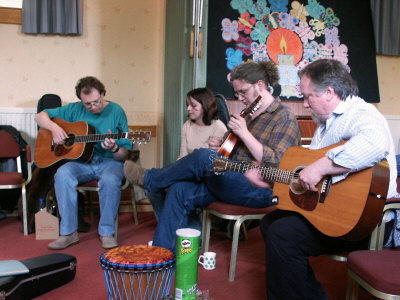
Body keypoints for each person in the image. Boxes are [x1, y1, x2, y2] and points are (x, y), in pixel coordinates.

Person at [245, 59, 398, 300]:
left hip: (369, 221)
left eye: (308, 97)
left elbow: (375, 144)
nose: (304, 104)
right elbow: (307, 181)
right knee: (271, 222)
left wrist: (321, 167)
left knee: (284, 234)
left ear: (329, 92)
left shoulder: (361, 113)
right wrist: (270, 181)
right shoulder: (324, 125)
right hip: (333, 211)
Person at [124, 60, 301, 253]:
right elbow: (235, 154)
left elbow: (278, 165)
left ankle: (150, 179)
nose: (239, 97)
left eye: (243, 92)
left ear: (259, 85)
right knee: (179, 189)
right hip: (232, 179)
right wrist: (221, 146)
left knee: (202, 157)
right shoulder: (248, 115)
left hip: (261, 191)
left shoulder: (284, 117)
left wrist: (244, 134)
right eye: (237, 93)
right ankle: (162, 255)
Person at [35, 76, 132, 250]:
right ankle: (68, 233)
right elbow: (40, 117)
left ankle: (106, 233)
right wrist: (55, 128)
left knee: (110, 180)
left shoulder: (117, 111)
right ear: (81, 100)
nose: (93, 107)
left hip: (110, 162)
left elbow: (124, 156)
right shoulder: (74, 109)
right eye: (88, 104)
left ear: (103, 94)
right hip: (81, 162)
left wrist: (114, 147)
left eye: (97, 101)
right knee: (62, 174)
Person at [148, 88, 227, 225]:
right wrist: (174, 175)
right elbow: (182, 156)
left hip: (206, 178)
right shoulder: (187, 125)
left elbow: (212, 164)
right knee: (152, 189)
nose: (189, 109)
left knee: (170, 187)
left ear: (206, 106)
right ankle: (169, 227)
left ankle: (193, 230)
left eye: (193, 105)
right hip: (187, 172)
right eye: (187, 105)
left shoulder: (219, 127)